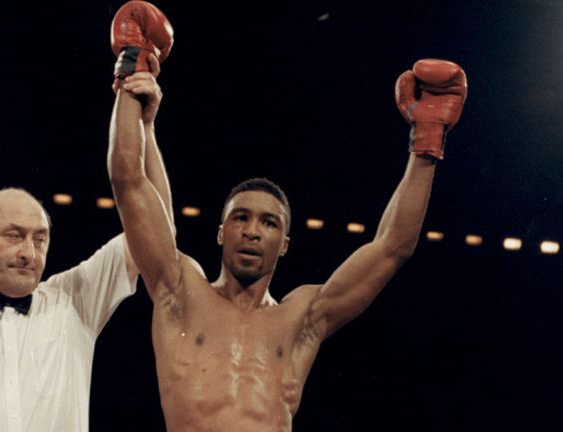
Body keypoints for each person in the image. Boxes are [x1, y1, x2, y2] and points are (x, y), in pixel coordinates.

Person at [108, 3, 468, 431]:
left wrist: (427, 142)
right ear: (221, 233)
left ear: (285, 244)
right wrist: (132, 76)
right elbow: (129, 179)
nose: (253, 231)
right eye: (240, 218)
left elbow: (393, 247)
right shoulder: (180, 290)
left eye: (269, 223)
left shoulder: (303, 317)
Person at [0, 20, 175, 432]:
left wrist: (143, 122)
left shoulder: (74, 302)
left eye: (40, 239)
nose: (29, 253)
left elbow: (157, 232)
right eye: (14, 236)